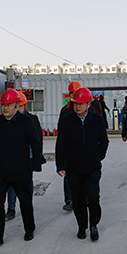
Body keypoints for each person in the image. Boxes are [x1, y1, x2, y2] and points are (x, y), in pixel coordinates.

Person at [0, 89, 42, 247]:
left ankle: (29, 229)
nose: (5, 108)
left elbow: (35, 143)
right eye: (3, 105)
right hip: (0, 172)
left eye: (9, 105)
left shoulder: (26, 122)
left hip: (20, 171)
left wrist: (35, 164)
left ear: (16, 105)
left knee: (25, 202)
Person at [56, 87, 109, 241]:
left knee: (93, 197)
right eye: (75, 103)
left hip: (92, 167)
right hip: (74, 168)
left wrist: (98, 156)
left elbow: (104, 141)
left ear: (88, 104)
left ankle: (93, 225)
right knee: (78, 200)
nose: (77, 106)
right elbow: (61, 144)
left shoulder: (97, 120)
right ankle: (82, 226)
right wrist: (61, 165)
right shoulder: (67, 121)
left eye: (81, 103)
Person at [6, 90, 46, 221]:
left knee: (27, 182)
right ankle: (11, 208)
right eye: (15, 106)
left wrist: (37, 160)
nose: (17, 109)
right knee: (11, 184)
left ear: (25, 106)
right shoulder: (7, 120)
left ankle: (27, 204)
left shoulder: (32, 120)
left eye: (19, 106)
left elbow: (38, 140)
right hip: (11, 158)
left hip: (27, 158)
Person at [58, 80, 82, 212]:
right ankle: (69, 200)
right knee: (68, 176)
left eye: (75, 92)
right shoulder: (65, 111)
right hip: (69, 149)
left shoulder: (88, 109)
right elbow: (61, 133)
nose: (73, 95)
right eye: (72, 93)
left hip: (83, 148)